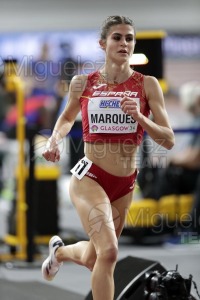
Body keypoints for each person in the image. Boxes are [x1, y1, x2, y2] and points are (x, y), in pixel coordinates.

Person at [41, 15, 175, 300]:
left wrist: (139, 116)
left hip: (124, 184)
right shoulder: (83, 83)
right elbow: (66, 117)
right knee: (110, 252)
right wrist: (54, 139)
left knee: (94, 258)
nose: (124, 43)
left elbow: (168, 139)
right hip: (90, 177)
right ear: (103, 44)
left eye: (129, 38)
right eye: (117, 37)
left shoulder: (147, 85)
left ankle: (60, 253)